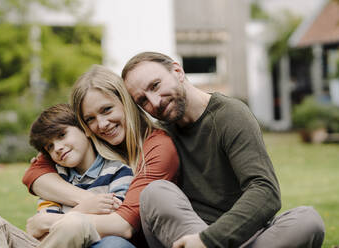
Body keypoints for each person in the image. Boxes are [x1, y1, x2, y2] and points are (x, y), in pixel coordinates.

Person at [120, 51, 326, 248]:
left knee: (307, 221)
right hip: (184, 236)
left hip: (238, 236)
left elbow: (265, 191)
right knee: (154, 193)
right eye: (143, 101)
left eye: (155, 85)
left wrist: (209, 241)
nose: (155, 102)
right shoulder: (157, 136)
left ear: (177, 71)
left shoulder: (230, 115)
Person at [21, 65, 179, 247]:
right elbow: (34, 173)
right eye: (90, 119)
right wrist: (87, 201)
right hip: (79, 237)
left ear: (125, 100)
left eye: (107, 110)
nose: (102, 124)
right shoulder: (85, 142)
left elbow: (122, 224)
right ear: (83, 126)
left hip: (129, 240)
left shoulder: (157, 147)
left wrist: (46, 222)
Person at [0, 103, 134, 248]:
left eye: (61, 135)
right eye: (50, 146)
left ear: (85, 129)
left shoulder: (118, 172)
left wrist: (74, 214)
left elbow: (115, 221)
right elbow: (41, 233)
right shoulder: (56, 178)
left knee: (75, 223)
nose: (57, 148)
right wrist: (83, 209)